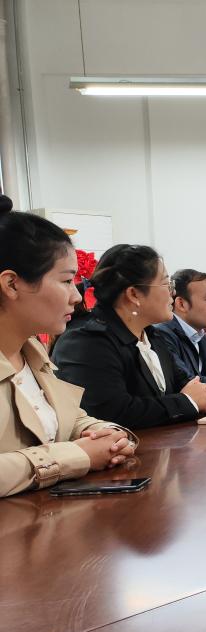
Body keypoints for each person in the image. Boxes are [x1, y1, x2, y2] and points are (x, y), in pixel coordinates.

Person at [0, 196, 136, 497]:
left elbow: (67, 419)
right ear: (11, 284)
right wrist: (76, 456)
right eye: (66, 281)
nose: (76, 296)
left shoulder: (31, 353)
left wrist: (108, 435)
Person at [52, 244, 206, 429]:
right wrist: (188, 402)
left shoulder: (152, 335)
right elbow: (113, 413)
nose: (172, 292)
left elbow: (187, 383)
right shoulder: (86, 342)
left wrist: (203, 393)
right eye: (166, 284)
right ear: (133, 294)